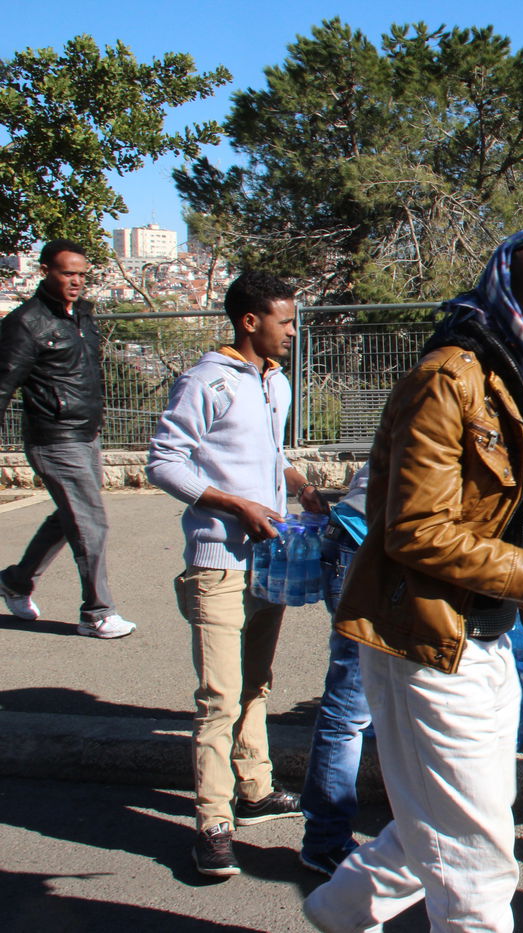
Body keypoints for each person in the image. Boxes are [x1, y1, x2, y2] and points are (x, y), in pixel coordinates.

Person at [302, 230, 523, 933]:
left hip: (483, 632)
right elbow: (414, 528)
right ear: (508, 290)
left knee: (447, 825)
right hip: (429, 638)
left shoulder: (520, 374)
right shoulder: (452, 377)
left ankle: (335, 912)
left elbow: (497, 515)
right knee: (476, 863)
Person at [147, 270, 327, 877]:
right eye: (286, 321)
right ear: (250, 322)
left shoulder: (275, 384)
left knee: (257, 683)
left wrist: (301, 488)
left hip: (268, 560)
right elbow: (164, 462)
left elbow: (268, 455)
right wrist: (236, 506)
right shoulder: (207, 381)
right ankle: (212, 823)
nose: (293, 332)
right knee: (218, 698)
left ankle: (254, 789)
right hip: (217, 563)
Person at [0, 239, 135, 638]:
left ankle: (16, 582)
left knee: (70, 517)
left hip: (85, 431)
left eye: (81, 274)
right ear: (45, 272)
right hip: (53, 436)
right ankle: (97, 613)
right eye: (67, 273)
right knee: (90, 523)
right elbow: (3, 383)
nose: (76, 281)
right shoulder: (25, 323)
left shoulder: (84, 316)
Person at [299, 464, 372, 877]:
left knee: (377, 699)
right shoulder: (449, 401)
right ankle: (325, 840)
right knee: (350, 705)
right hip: (363, 546)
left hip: (371, 541)